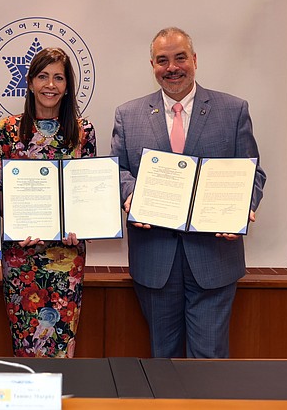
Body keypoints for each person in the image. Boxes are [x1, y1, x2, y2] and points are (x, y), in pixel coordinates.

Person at [110, 27, 266, 359]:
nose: (172, 67)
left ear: (194, 60)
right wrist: (131, 195)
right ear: (152, 65)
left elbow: (252, 172)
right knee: (162, 360)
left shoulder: (232, 110)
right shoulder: (129, 114)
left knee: (208, 361)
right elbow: (118, 170)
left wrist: (241, 209)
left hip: (214, 256)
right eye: (162, 60)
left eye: (180, 57)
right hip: (155, 257)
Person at [0, 47, 96, 358]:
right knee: (27, 342)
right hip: (21, 257)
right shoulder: (8, 130)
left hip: (67, 254)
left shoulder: (83, 131)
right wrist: (14, 223)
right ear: (30, 82)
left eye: (58, 78)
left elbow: (87, 192)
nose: (50, 84)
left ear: (67, 86)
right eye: (43, 76)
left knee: (62, 345)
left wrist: (82, 223)